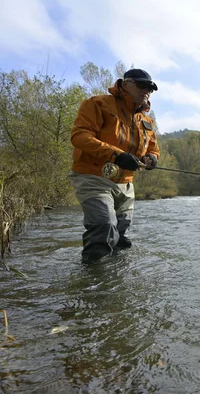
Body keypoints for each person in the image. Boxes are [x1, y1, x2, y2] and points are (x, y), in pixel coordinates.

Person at [69, 68, 160, 263]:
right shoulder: (97, 104)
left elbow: (153, 148)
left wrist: (152, 158)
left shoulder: (146, 121)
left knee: (121, 236)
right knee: (104, 227)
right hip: (93, 177)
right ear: (126, 84)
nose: (147, 91)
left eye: (150, 88)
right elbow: (79, 137)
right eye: (142, 86)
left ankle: (116, 281)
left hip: (126, 184)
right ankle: (94, 282)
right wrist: (116, 155)